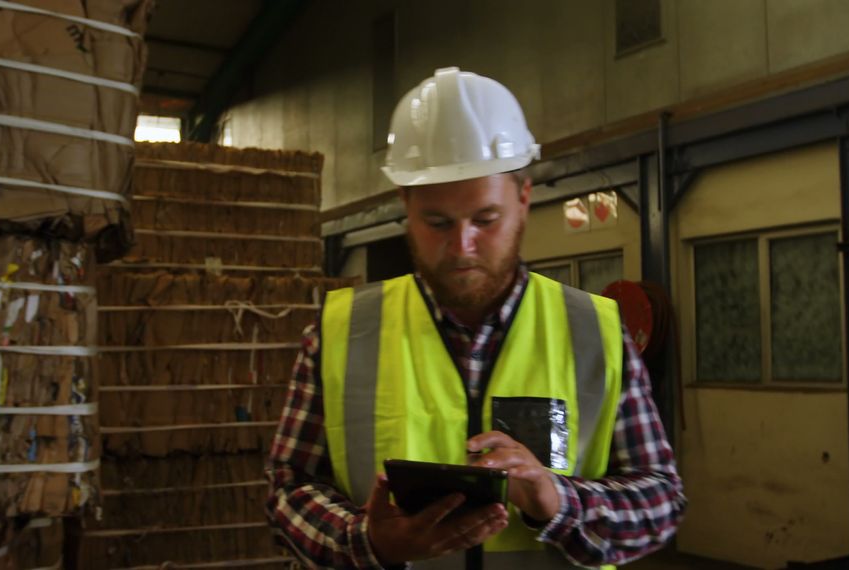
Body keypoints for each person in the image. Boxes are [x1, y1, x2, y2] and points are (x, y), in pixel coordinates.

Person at [266, 67, 685, 569]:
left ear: (524, 200)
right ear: (405, 204)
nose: (462, 246)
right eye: (438, 222)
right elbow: (288, 488)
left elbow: (659, 498)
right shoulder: (340, 333)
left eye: (485, 220)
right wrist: (366, 542)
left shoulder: (593, 332)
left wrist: (558, 502)